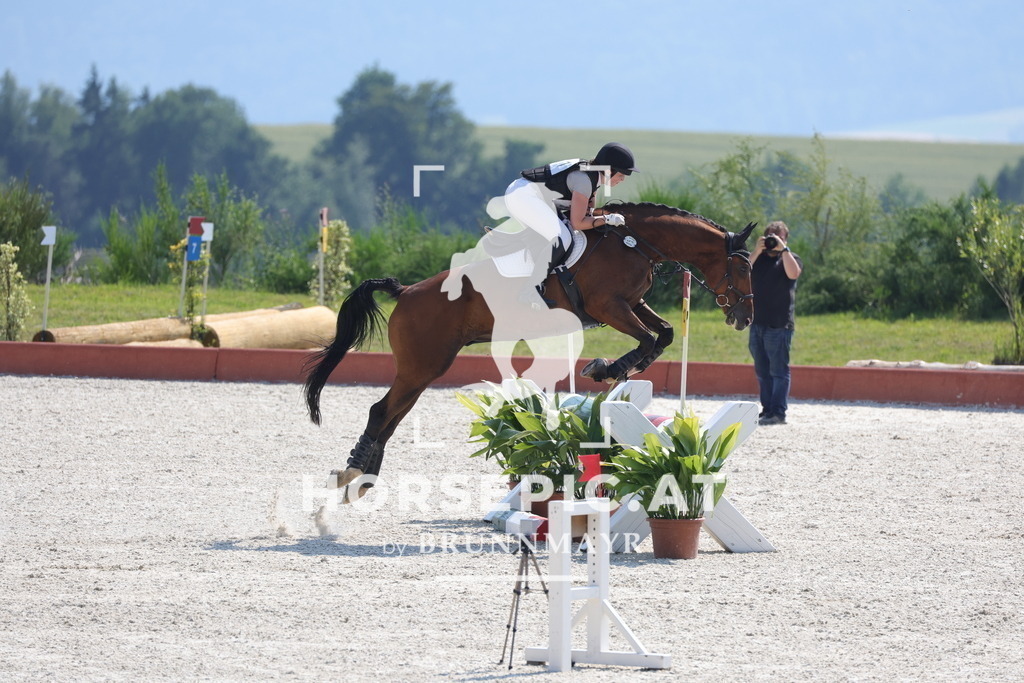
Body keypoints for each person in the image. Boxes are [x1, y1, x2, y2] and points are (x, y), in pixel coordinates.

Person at [502, 142, 639, 299]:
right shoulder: (584, 181)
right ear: (609, 171)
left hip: (530, 196)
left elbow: (588, 213)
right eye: (621, 175)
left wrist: (603, 218)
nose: (622, 180)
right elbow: (578, 223)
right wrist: (607, 219)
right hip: (522, 196)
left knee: (562, 231)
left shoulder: (592, 177)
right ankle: (532, 288)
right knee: (563, 238)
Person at [748, 221, 803, 425]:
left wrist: (784, 250)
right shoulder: (758, 258)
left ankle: (778, 412)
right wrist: (756, 250)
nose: (773, 240)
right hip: (757, 323)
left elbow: (793, 273)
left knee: (778, 371)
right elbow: (742, 271)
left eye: (777, 237)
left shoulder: (791, 258)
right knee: (762, 371)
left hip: (779, 325)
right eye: (770, 236)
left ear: (785, 239)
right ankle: (767, 409)